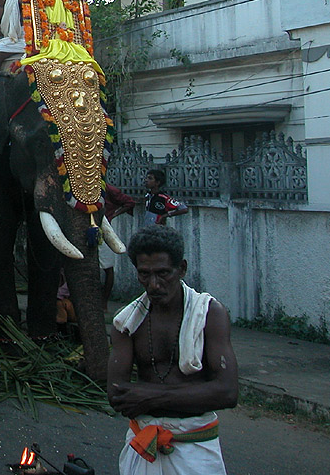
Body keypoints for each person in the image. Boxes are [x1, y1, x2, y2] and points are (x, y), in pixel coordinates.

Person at [108, 225, 238, 475]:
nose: (154, 284)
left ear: (182, 269)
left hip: (196, 450)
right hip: (142, 446)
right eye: (144, 274)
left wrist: (149, 396)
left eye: (163, 273)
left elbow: (228, 392)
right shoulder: (126, 322)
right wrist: (191, 394)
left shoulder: (210, 314)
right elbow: (117, 396)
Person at [100, 183, 136, 308]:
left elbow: (129, 202)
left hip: (104, 229)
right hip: (83, 229)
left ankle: (104, 302)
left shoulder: (107, 188)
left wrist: (113, 214)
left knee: (108, 267)